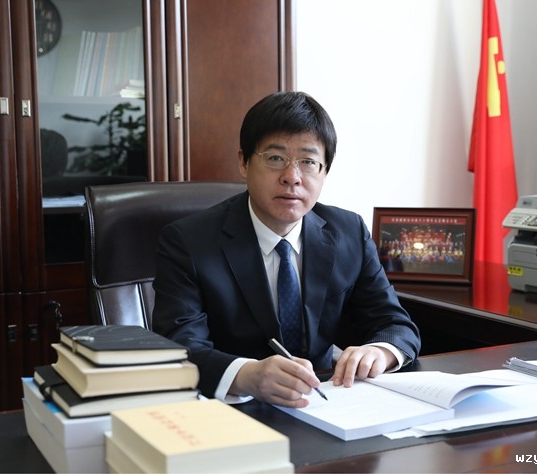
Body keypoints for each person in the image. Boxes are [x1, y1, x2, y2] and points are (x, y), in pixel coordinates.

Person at [152, 91, 420, 408]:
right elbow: (180, 346)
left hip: (325, 404)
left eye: (308, 162)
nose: (292, 177)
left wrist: (380, 351)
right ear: (243, 162)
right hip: (232, 410)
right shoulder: (188, 241)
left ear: (324, 172)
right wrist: (245, 375)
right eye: (275, 158)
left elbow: (395, 324)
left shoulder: (348, 232)